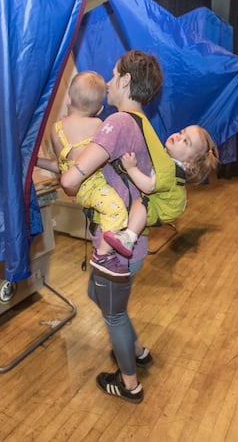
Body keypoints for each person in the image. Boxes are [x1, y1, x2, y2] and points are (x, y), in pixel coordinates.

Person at [60, 50, 163, 403]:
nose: (107, 79)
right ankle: (137, 350)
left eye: (113, 73)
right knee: (98, 297)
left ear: (126, 81)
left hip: (119, 245)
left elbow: (73, 180)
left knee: (113, 314)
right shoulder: (141, 122)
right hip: (131, 239)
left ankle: (130, 384)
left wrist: (61, 170)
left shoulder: (117, 122)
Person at [36, 70, 130, 261]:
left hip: (75, 188)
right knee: (117, 210)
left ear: (69, 99)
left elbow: (62, 164)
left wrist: (37, 161)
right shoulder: (97, 124)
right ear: (100, 110)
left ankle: (35, 161)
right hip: (93, 186)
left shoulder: (56, 129)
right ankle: (105, 254)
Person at [104, 125, 219, 258]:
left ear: (189, 162)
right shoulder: (168, 160)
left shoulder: (170, 169)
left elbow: (148, 186)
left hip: (163, 208)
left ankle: (128, 238)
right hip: (164, 199)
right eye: (181, 132)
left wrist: (131, 168)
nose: (178, 136)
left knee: (141, 204)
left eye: (186, 141)